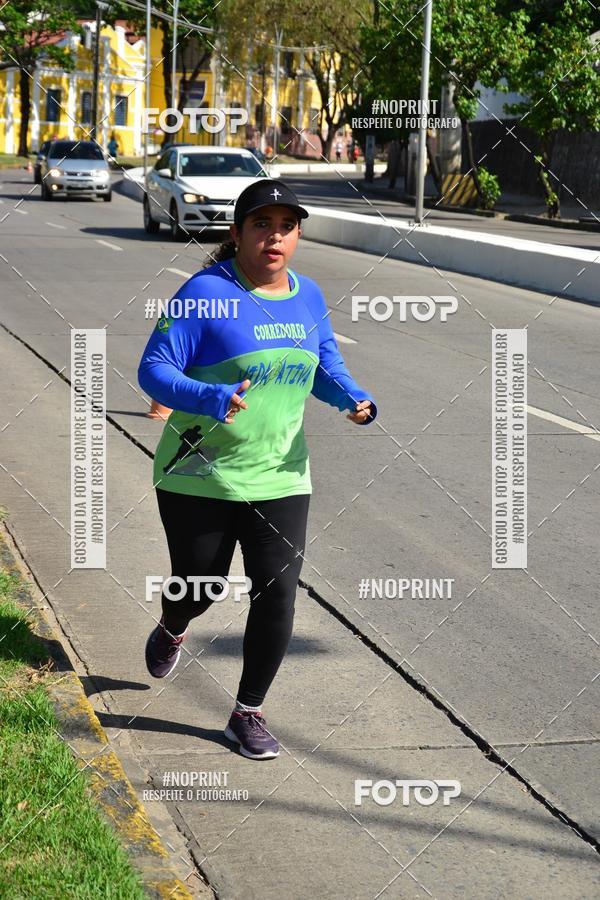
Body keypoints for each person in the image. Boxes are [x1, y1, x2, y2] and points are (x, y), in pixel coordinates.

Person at [137, 179, 377, 760]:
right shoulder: (204, 294)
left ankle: (247, 712)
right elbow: (153, 370)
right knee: (202, 585)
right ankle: (175, 623)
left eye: (286, 226)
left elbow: (323, 363)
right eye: (262, 225)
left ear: (297, 235)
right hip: (200, 471)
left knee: (278, 594)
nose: (275, 237)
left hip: (281, 474)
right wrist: (211, 397)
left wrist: (352, 398)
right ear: (237, 232)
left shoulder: (308, 296)